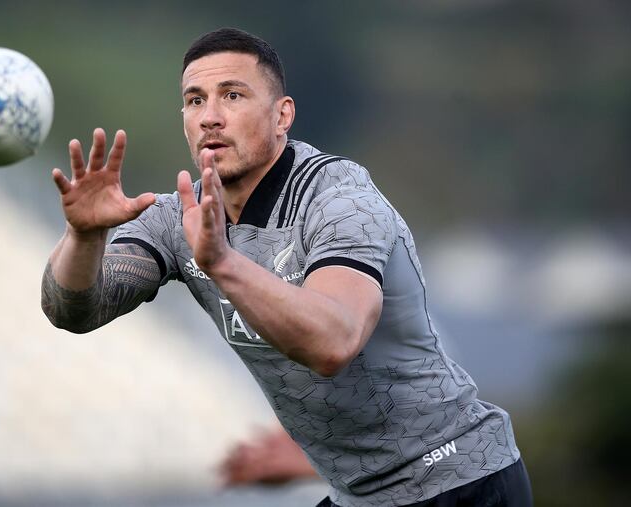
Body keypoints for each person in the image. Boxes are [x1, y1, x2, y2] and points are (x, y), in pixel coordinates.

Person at [41, 27, 533, 507]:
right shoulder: (179, 218)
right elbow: (74, 311)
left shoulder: (340, 199)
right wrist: (84, 236)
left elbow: (333, 343)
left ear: (282, 116)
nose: (210, 116)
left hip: (458, 480)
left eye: (232, 96)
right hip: (358, 495)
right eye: (195, 101)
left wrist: (223, 264)